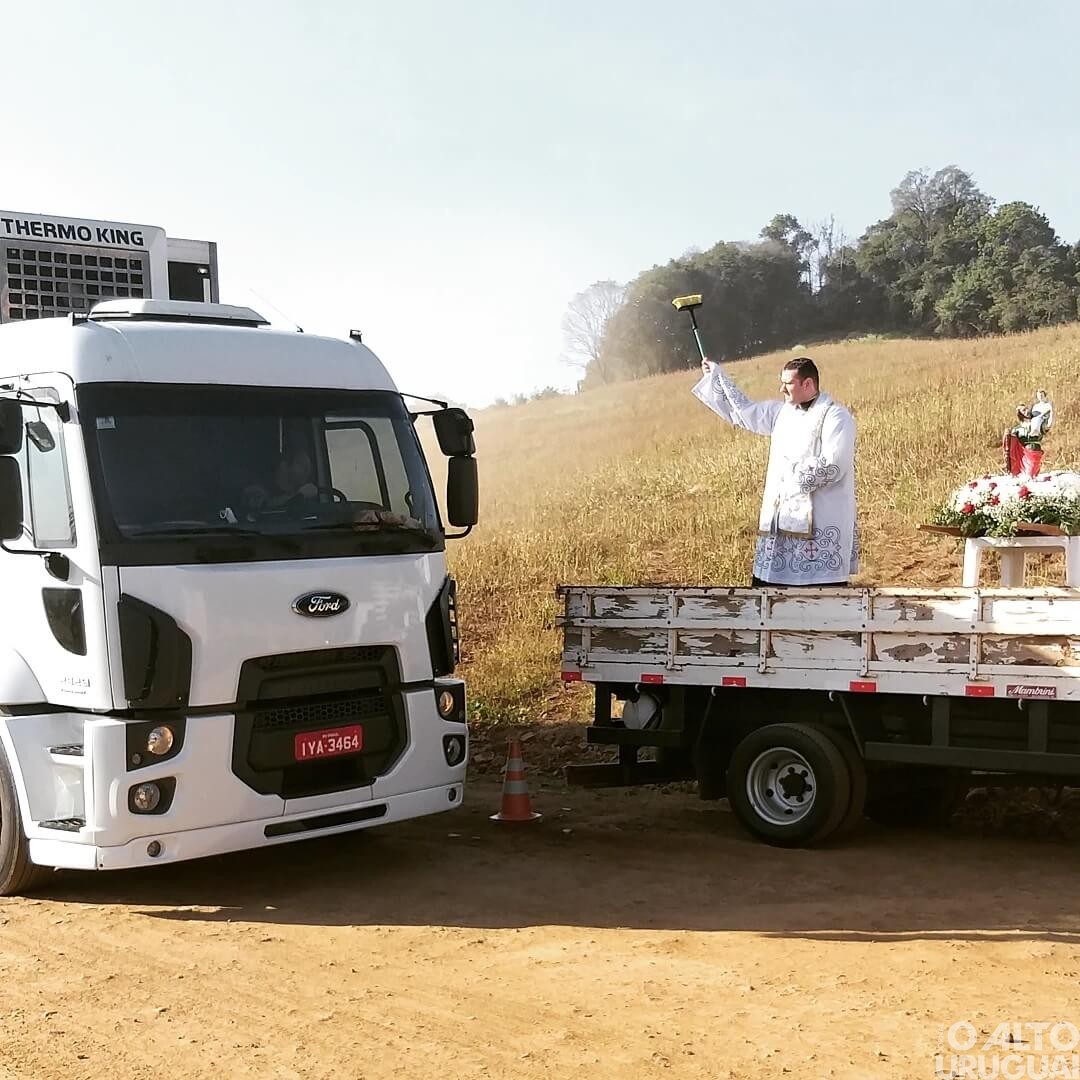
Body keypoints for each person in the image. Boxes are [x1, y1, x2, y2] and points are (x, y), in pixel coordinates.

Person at [692, 355, 858, 586]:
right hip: (780, 520)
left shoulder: (835, 416)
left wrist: (793, 476)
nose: (781, 389)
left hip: (818, 524)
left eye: (788, 383)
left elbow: (834, 463)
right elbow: (745, 412)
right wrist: (717, 377)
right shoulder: (781, 413)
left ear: (807, 384)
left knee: (817, 599)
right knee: (770, 595)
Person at [242, 449, 318, 510]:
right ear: (283, 465)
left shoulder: (305, 494)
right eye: (302, 465)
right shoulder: (256, 489)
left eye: (308, 467)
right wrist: (298, 495)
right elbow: (265, 507)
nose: (308, 470)